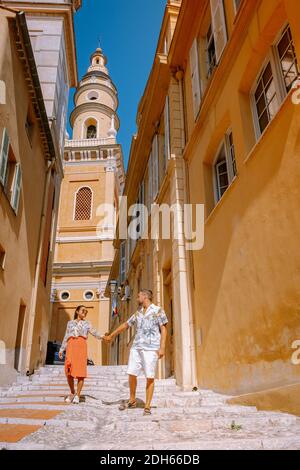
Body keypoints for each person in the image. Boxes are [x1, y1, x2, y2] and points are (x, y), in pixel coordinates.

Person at [103, 289, 168, 416]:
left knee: (149, 377)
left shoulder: (158, 310)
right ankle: (132, 399)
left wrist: (162, 347)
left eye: (138, 296)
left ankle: (147, 406)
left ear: (145, 297)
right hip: (136, 347)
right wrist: (111, 335)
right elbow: (126, 325)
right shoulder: (138, 313)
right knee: (131, 373)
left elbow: (163, 329)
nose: (137, 298)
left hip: (151, 348)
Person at [58, 305, 104, 404]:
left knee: (80, 372)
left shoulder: (87, 323)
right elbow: (66, 335)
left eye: (86, 311)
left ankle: (77, 395)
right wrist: (61, 349)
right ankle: (72, 392)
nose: (85, 312)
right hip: (70, 346)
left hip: (81, 346)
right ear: (77, 311)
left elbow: (94, 332)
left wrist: (104, 337)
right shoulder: (70, 323)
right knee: (68, 371)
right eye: (83, 310)